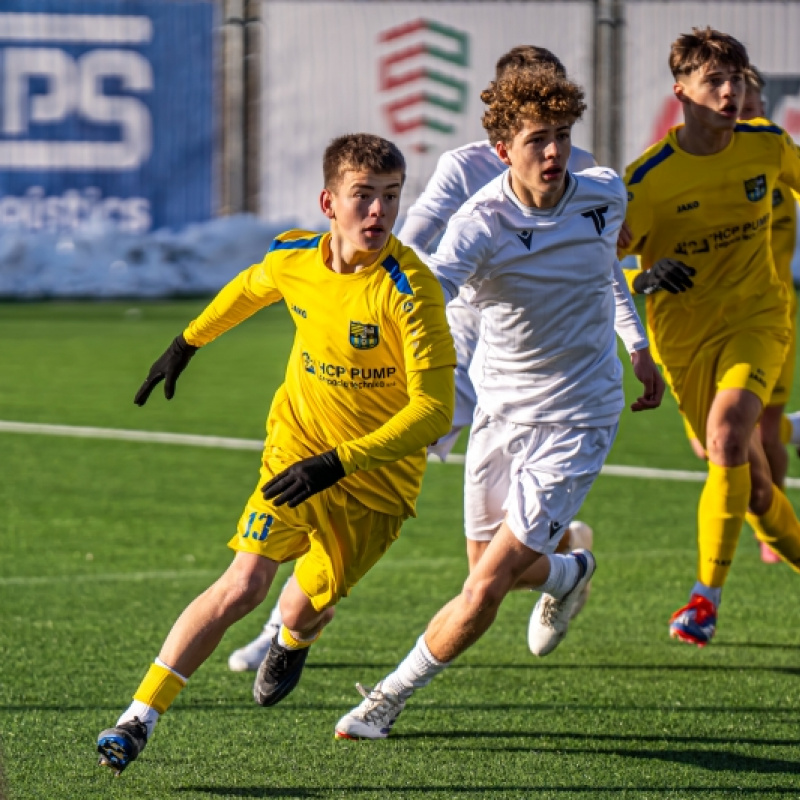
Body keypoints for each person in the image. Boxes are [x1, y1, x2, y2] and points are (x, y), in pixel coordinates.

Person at [227, 45, 600, 673]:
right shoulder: (464, 167)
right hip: (440, 350)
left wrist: (635, 337)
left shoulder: (581, 171)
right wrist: (389, 298)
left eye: (550, 102)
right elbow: (416, 236)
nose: (543, 135)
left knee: (486, 546)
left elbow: (600, 261)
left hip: (525, 366)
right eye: (523, 105)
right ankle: (285, 622)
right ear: (500, 116)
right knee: (357, 469)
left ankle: (566, 563)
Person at [95, 133, 456, 775]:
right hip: (296, 450)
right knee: (243, 584)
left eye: (391, 198)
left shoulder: (411, 291)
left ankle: (293, 639)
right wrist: (187, 343)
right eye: (363, 197)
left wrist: (340, 463)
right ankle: (137, 718)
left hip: (375, 481)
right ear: (329, 201)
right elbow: (250, 286)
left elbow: (434, 412)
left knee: (302, 603)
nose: (378, 213)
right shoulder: (295, 255)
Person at [333, 66, 663, 740]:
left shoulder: (604, 194)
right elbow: (430, 295)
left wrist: (637, 346)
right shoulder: (480, 222)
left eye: (563, 136)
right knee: (483, 570)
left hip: (579, 416)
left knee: (483, 587)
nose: (554, 153)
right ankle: (571, 569)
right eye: (538, 139)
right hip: (499, 410)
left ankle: (385, 702)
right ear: (503, 148)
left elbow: (607, 273)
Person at [620, 28, 800, 647]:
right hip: (684, 341)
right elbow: (597, 262)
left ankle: (705, 599)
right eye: (713, 82)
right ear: (682, 93)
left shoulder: (768, 147)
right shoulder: (646, 180)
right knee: (748, 484)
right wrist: (642, 276)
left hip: (759, 319)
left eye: (736, 80)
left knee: (729, 435)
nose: (729, 93)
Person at [679, 65, 799, 565]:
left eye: (753, 110)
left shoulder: (775, 159)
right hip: (708, 325)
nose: (743, 118)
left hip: (769, 318)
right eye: (736, 109)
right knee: (710, 445)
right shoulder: (709, 171)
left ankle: (769, 518)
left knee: (761, 431)